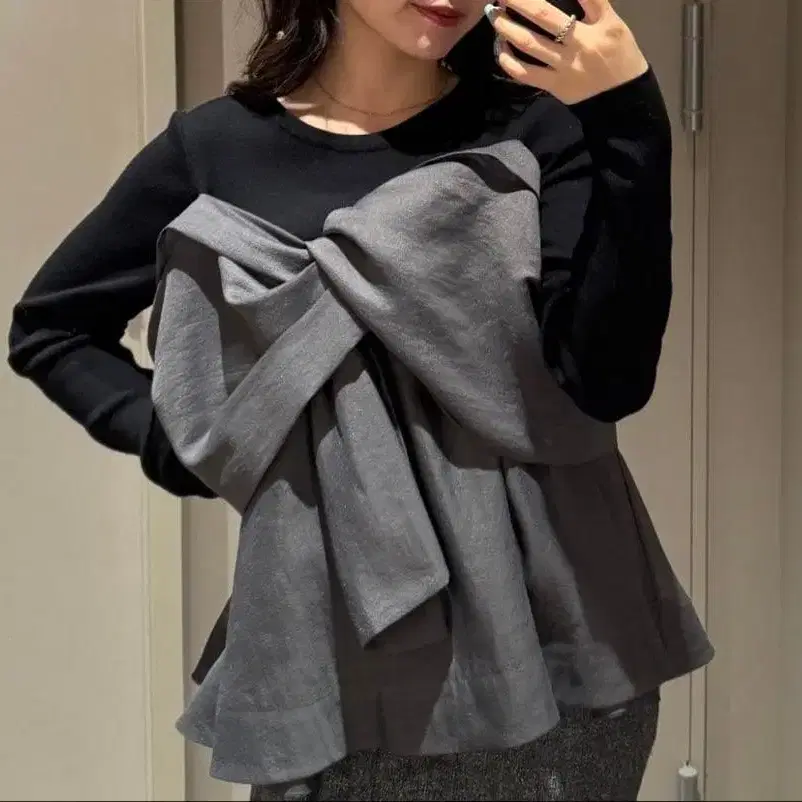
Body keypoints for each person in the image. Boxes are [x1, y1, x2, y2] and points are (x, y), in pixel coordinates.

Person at [8, 1, 714, 799]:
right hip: (333, 642)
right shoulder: (217, 150)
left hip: (560, 635)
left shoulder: (539, 130)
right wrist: (197, 448)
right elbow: (52, 328)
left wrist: (630, 119)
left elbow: (606, 381)